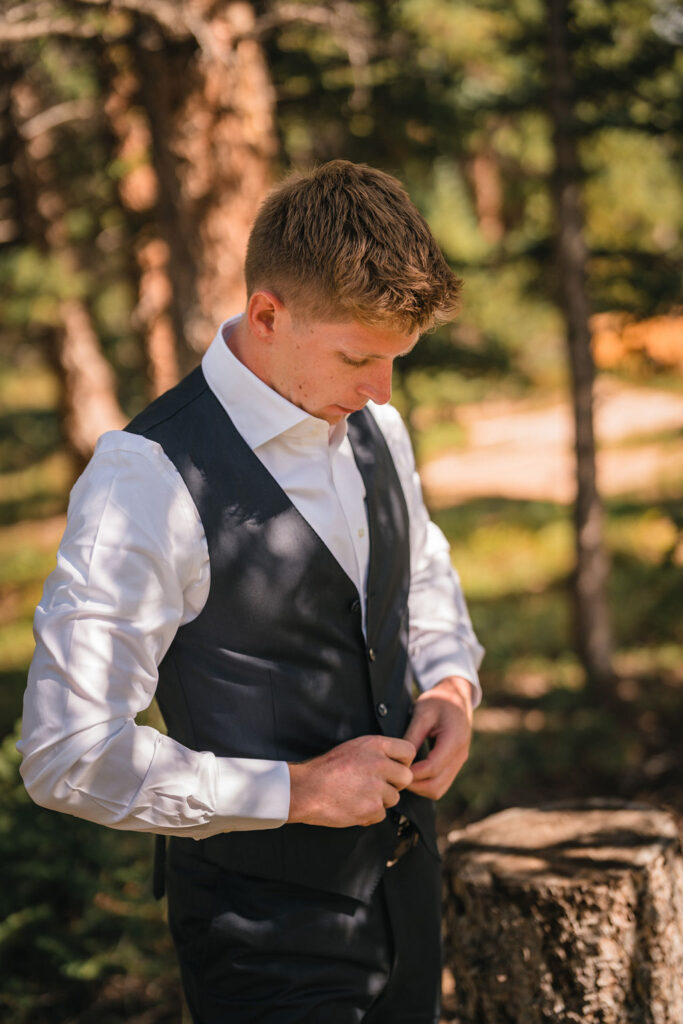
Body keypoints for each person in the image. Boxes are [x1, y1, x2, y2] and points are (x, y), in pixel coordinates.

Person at [19, 160, 484, 1023]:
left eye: (395, 360)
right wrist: (296, 792)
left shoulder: (376, 423)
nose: (381, 391)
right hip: (264, 950)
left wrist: (451, 683)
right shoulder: (145, 478)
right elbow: (67, 752)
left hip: (409, 908)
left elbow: (421, 566)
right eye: (358, 357)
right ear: (267, 315)